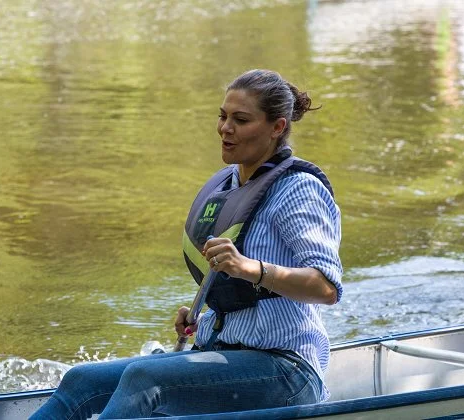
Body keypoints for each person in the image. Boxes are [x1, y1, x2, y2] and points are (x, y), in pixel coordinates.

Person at [30, 69, 343, 419]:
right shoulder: (230, 186)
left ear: (277, 127)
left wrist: (249, 268)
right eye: (222, 116)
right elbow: (240, 296)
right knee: (81, 380)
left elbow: (326, 287)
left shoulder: (299, 190)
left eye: (241, 120)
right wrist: (210, 313)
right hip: (222, 353)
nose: (226, 128)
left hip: (286, 372)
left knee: (145, 378)